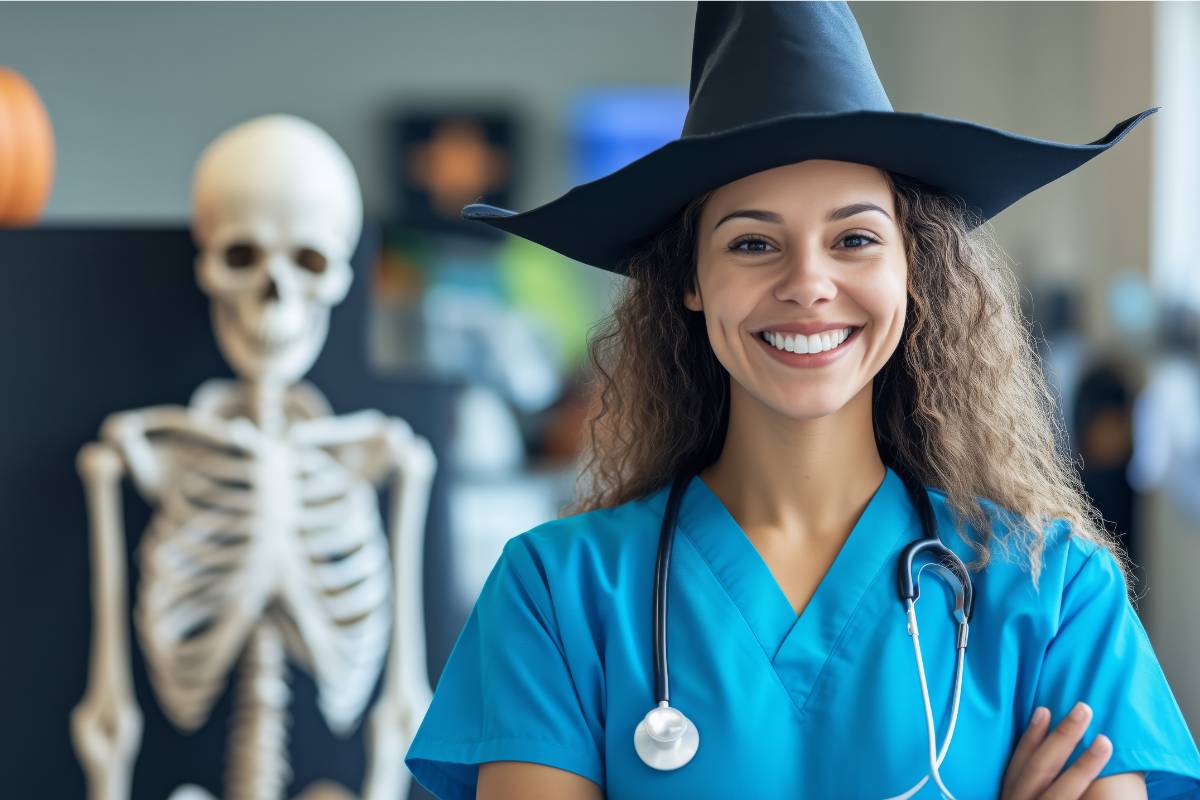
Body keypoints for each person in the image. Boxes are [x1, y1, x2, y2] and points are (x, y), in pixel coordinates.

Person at [405, 3, 1200, 798]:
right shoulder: (557, 592)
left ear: (912, 271)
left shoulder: (1056, 593)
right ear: (689, 280)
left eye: (854, 239)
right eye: (753, 243)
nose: (808, 285)